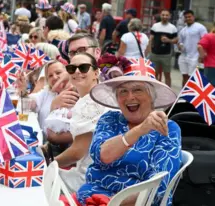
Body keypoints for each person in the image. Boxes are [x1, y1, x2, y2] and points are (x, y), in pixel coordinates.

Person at [76, 59, 181, 205]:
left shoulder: (167, 127)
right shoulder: (110, 119)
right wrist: (139, 130)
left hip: (140, 202)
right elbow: (101, 156)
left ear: (152, 97)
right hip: (94, 196)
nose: (130, 97)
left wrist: (116, 202)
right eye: (123, 91)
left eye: (138, 89)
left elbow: (159, 184)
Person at [54, 53, 107, 193]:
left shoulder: (90, 103)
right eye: (72, 68)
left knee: (38, 179)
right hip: (100, 173)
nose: (77, 72)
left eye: (83, 68)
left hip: (90, 179)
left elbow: (77, 152)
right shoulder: (99, 96)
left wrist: (49, 164)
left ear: (96, 73)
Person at [147, 9, 178, 87]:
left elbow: (176, 40)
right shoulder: (155, 26)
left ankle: (168, 91)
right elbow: (151, 38)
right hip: (155, 53)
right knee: (154, 73)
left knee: (167, 74)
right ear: (160, 16)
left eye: (166, 15)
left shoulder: (172, 28)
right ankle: (156, 90)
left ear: (170, 17)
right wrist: (149, 50)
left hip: (166, 54)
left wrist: (169, 40)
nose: (165, 17)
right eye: (163, 15)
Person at [177, 10, 207, 86]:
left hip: (195, 57)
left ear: (193, 17)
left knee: (193, 78)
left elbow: (206, 41)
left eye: (189, 17)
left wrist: (202, 55)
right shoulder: (183, 30)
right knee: (184, 76)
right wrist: (180, 45)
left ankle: (191, 96)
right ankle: (183, 95)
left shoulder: (200, 27)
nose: (188, 18)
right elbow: (180, 42)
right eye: (186, 17)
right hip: (184, 56)